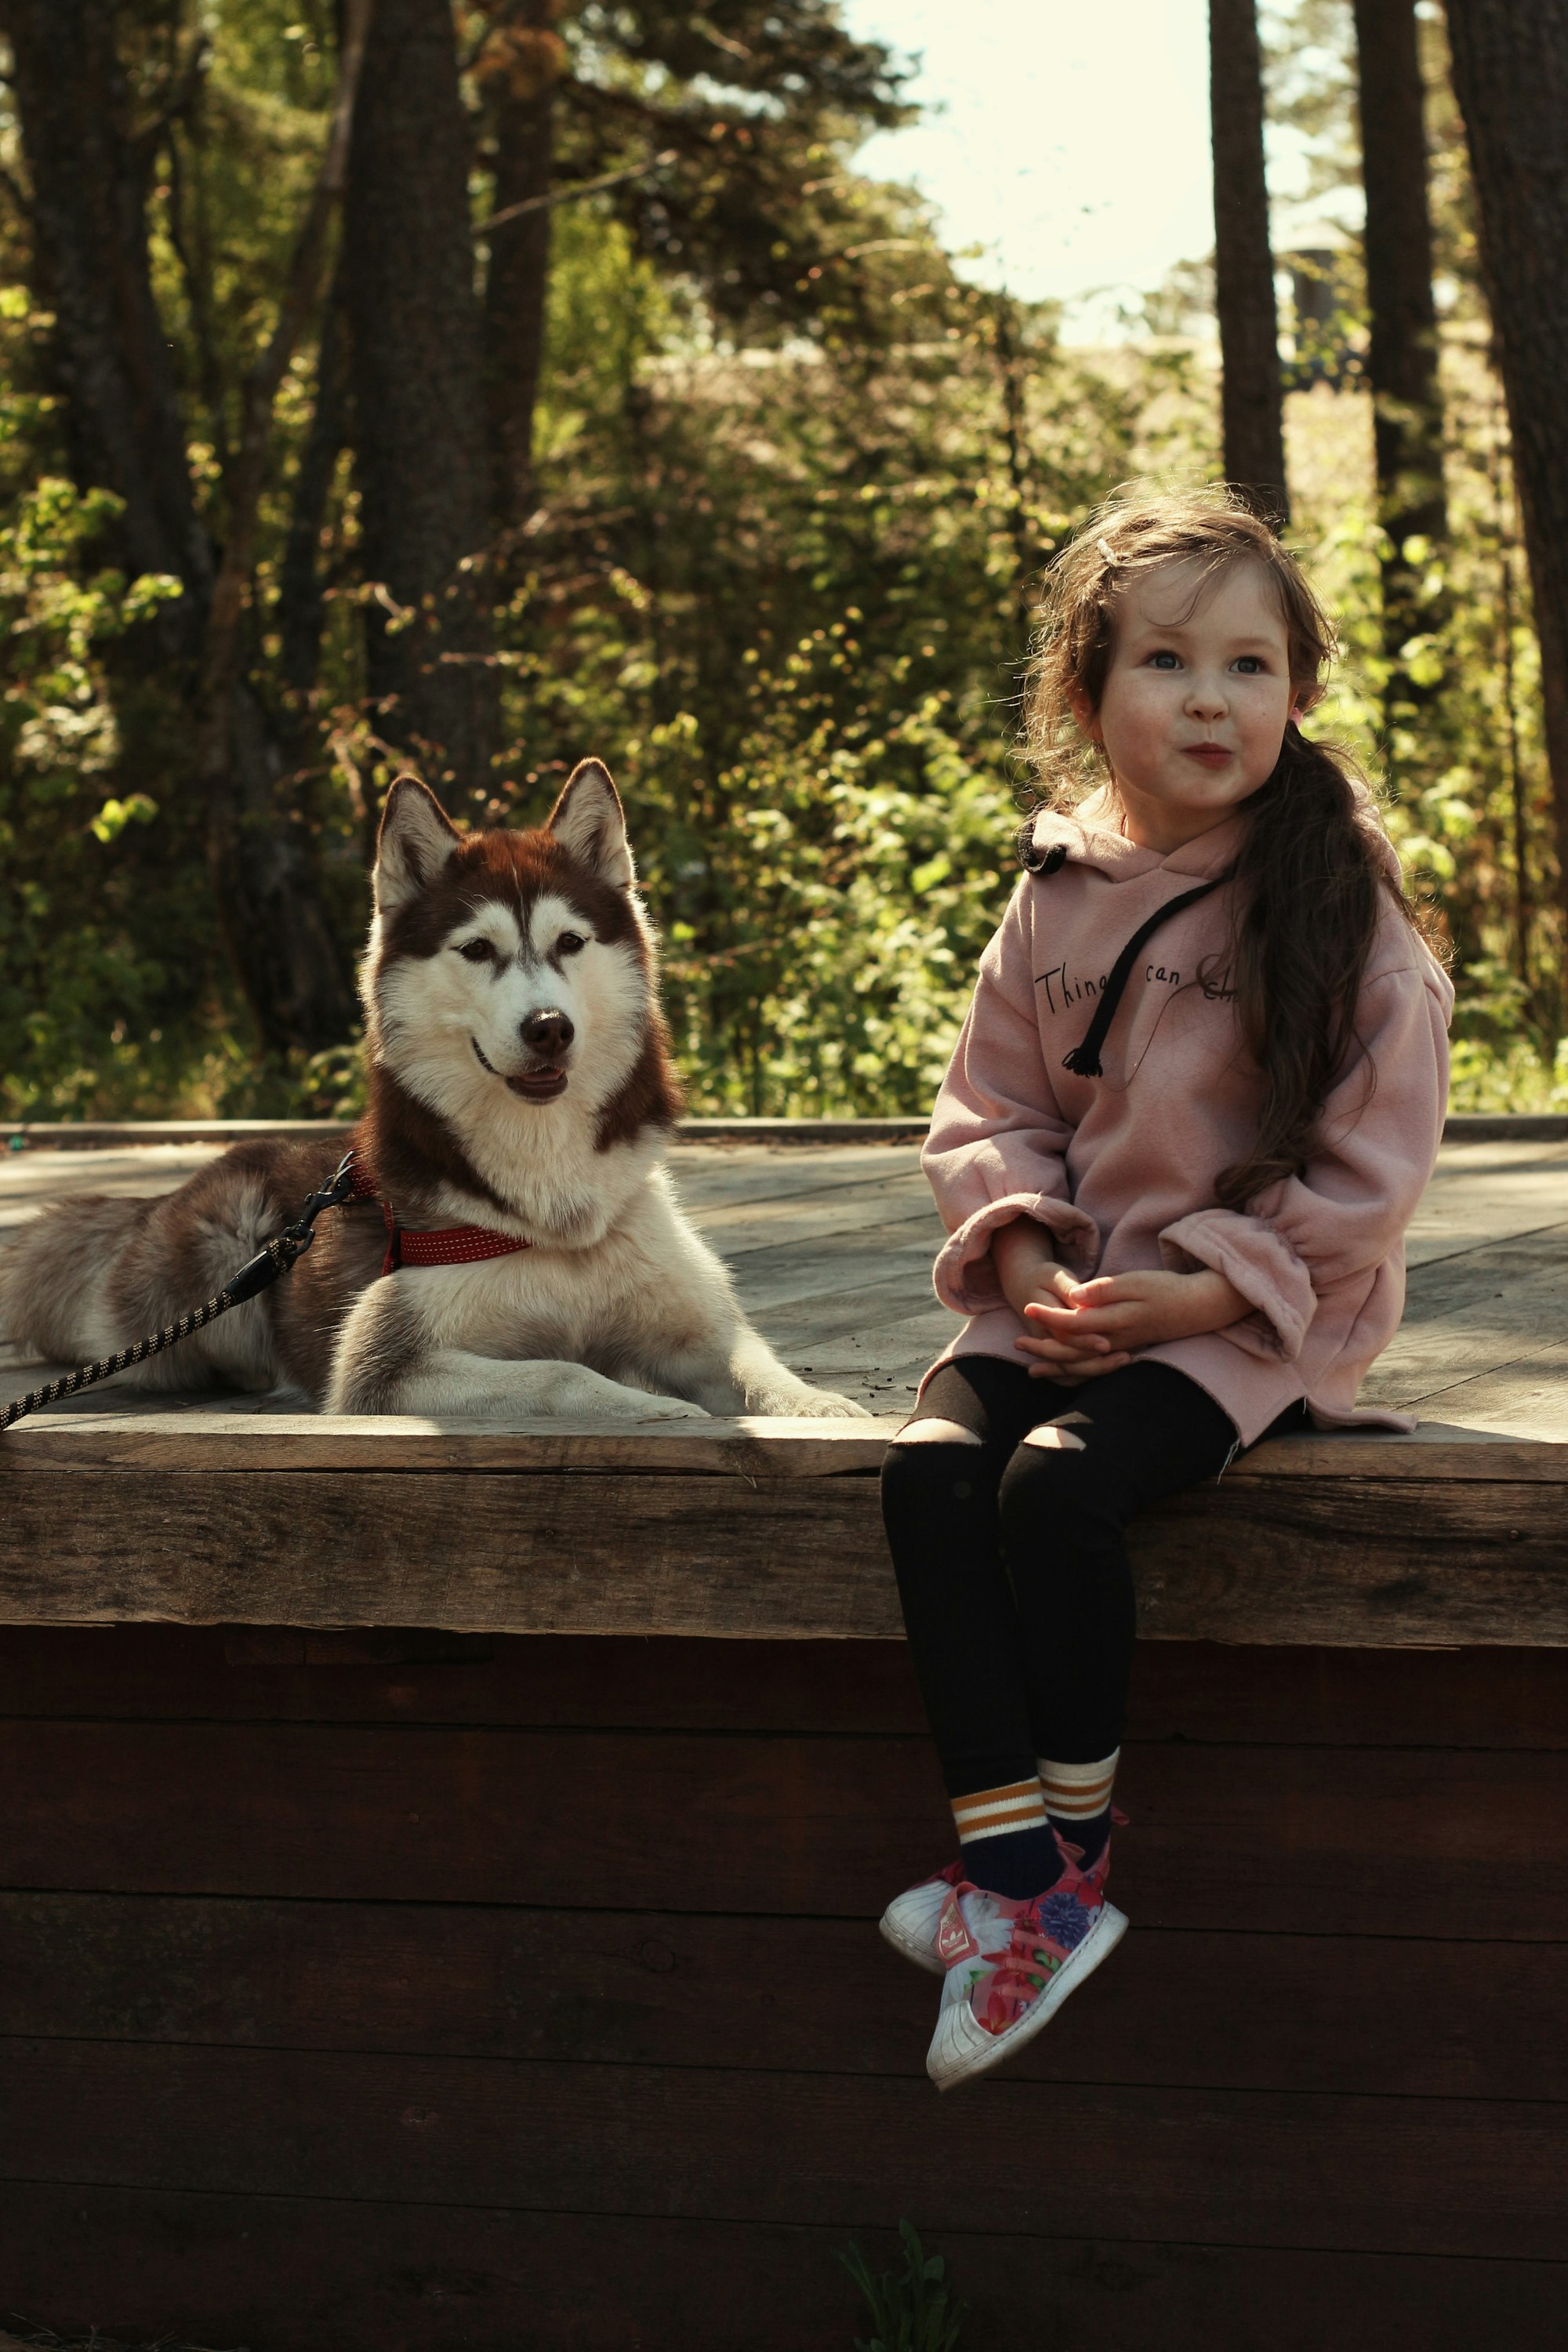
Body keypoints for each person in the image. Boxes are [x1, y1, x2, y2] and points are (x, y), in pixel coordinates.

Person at [879, 484, 1453, 2092]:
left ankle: (1061, 1878)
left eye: (1251, 666)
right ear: (1087, 696)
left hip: (1250, 1314)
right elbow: (992, 1104)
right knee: (932, 1483)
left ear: (1296, 695)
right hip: (1070, 1284)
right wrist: (1029, 1252)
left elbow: (1370, 1166)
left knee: (1054, 1495)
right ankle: (1022, 1880)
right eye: (1167, 662)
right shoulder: (1056, 888)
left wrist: (1207, 1295)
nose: (1211, 698)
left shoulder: (1335, 905)